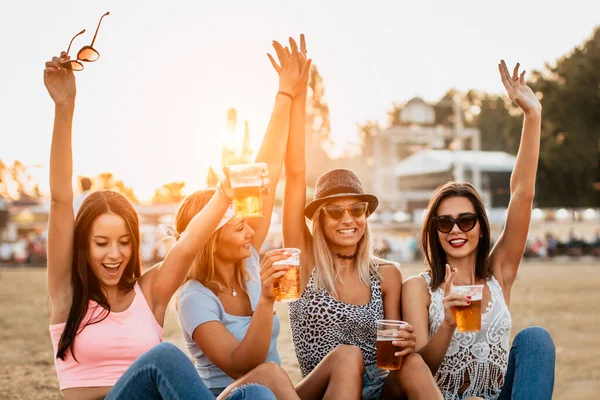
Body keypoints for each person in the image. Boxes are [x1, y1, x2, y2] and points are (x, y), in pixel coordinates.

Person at [44, 51, 276, 400]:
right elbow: (61, 200)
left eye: (124, 242)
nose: (115, 253)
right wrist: (65, 107)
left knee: (258, 395)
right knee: (162, 357)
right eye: (101, 242)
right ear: (83, 246)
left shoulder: (148, 294)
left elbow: (189, 244)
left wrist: (224, 195)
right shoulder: (67, 295)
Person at [279, 39, 442, 400]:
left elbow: (395, 358)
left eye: (356, 210)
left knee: (412, 363)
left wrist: (408, 343)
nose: (347, 219)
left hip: (380, 388)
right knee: (348, 357)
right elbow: (294, 174)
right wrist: (297, 94)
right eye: (335, 211)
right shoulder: (305, 264)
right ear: (319, 220)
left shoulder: (386, 275)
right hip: (325, 389)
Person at [402, 61, 555, 400]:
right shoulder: (419, 288)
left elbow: (522, 195)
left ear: (481, 228)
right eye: (444, 222)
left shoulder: (499, 273)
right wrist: (447, 323)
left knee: (536, 339)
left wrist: (532, 117)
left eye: (466, 220)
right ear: (434, 230)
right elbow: (415, 373)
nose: (455, 229)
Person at [177, 36, 310, 399]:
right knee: (265, 377)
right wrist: (266, 300)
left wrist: (289, 94)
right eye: (237, 226)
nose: (248, 231)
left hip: (277, 391)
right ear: (209, 238)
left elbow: (265, 173)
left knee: (345, 359)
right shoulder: (194, 298)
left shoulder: (249, 259)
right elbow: (242, 366)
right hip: (234, 395)